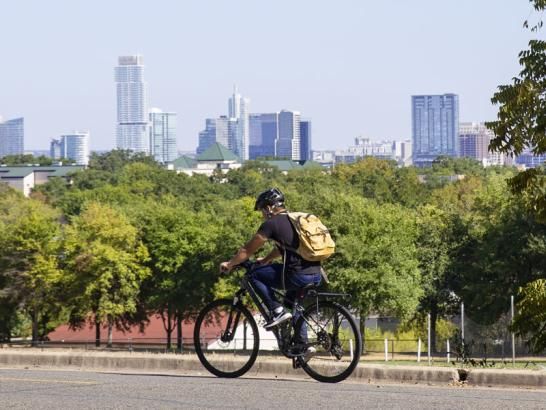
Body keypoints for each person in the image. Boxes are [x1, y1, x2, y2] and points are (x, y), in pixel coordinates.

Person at [219, 188, 322, 333]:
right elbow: (285, 248)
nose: (262, 215)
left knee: (254, 274)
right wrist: (267, 259)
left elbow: (247, 250)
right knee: (293, 305)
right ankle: (301, 348)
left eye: (262, 210)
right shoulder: (294, 220)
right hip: (316, 274)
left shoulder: (271, 224)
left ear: (268, 207)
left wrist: (230, 264)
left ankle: (276, 310)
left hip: (297, 275)